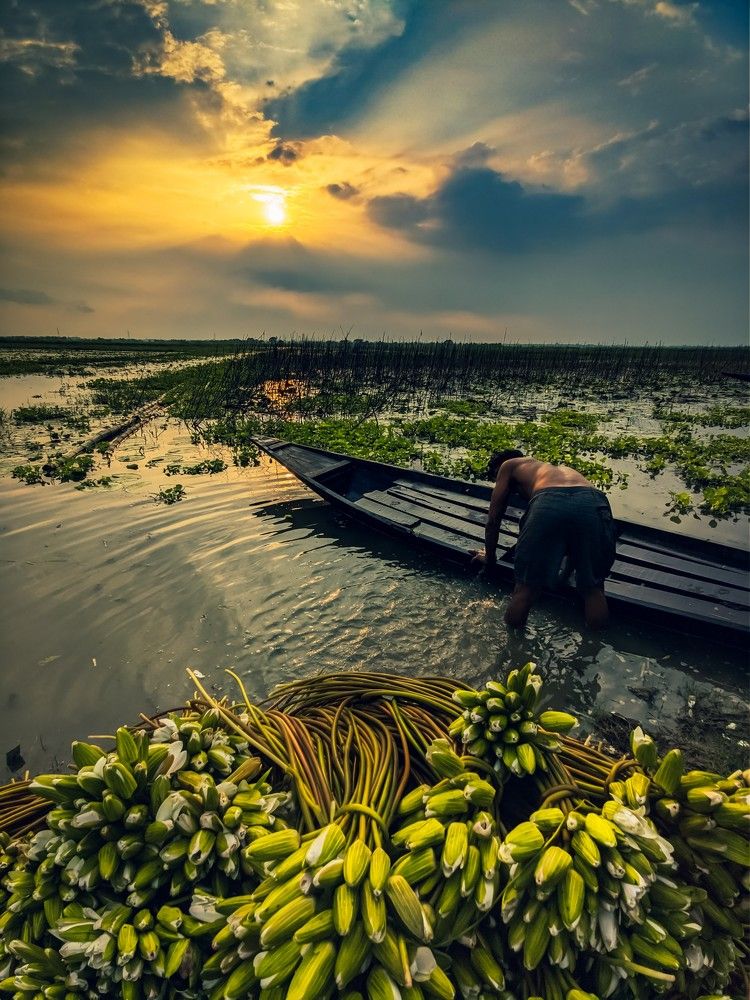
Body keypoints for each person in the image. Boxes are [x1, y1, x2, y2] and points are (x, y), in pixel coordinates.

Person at [471, 449, 617, 628]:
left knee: (525, 590)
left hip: (549, 501)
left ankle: (512, 643)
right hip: (594, 501)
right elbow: (573, 529)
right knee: (593, 589)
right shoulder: (560, 470)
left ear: (498, 468)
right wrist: (564, 575)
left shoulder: (508, 465)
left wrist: (490, 558)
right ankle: (595, 644)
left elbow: (493, 520)